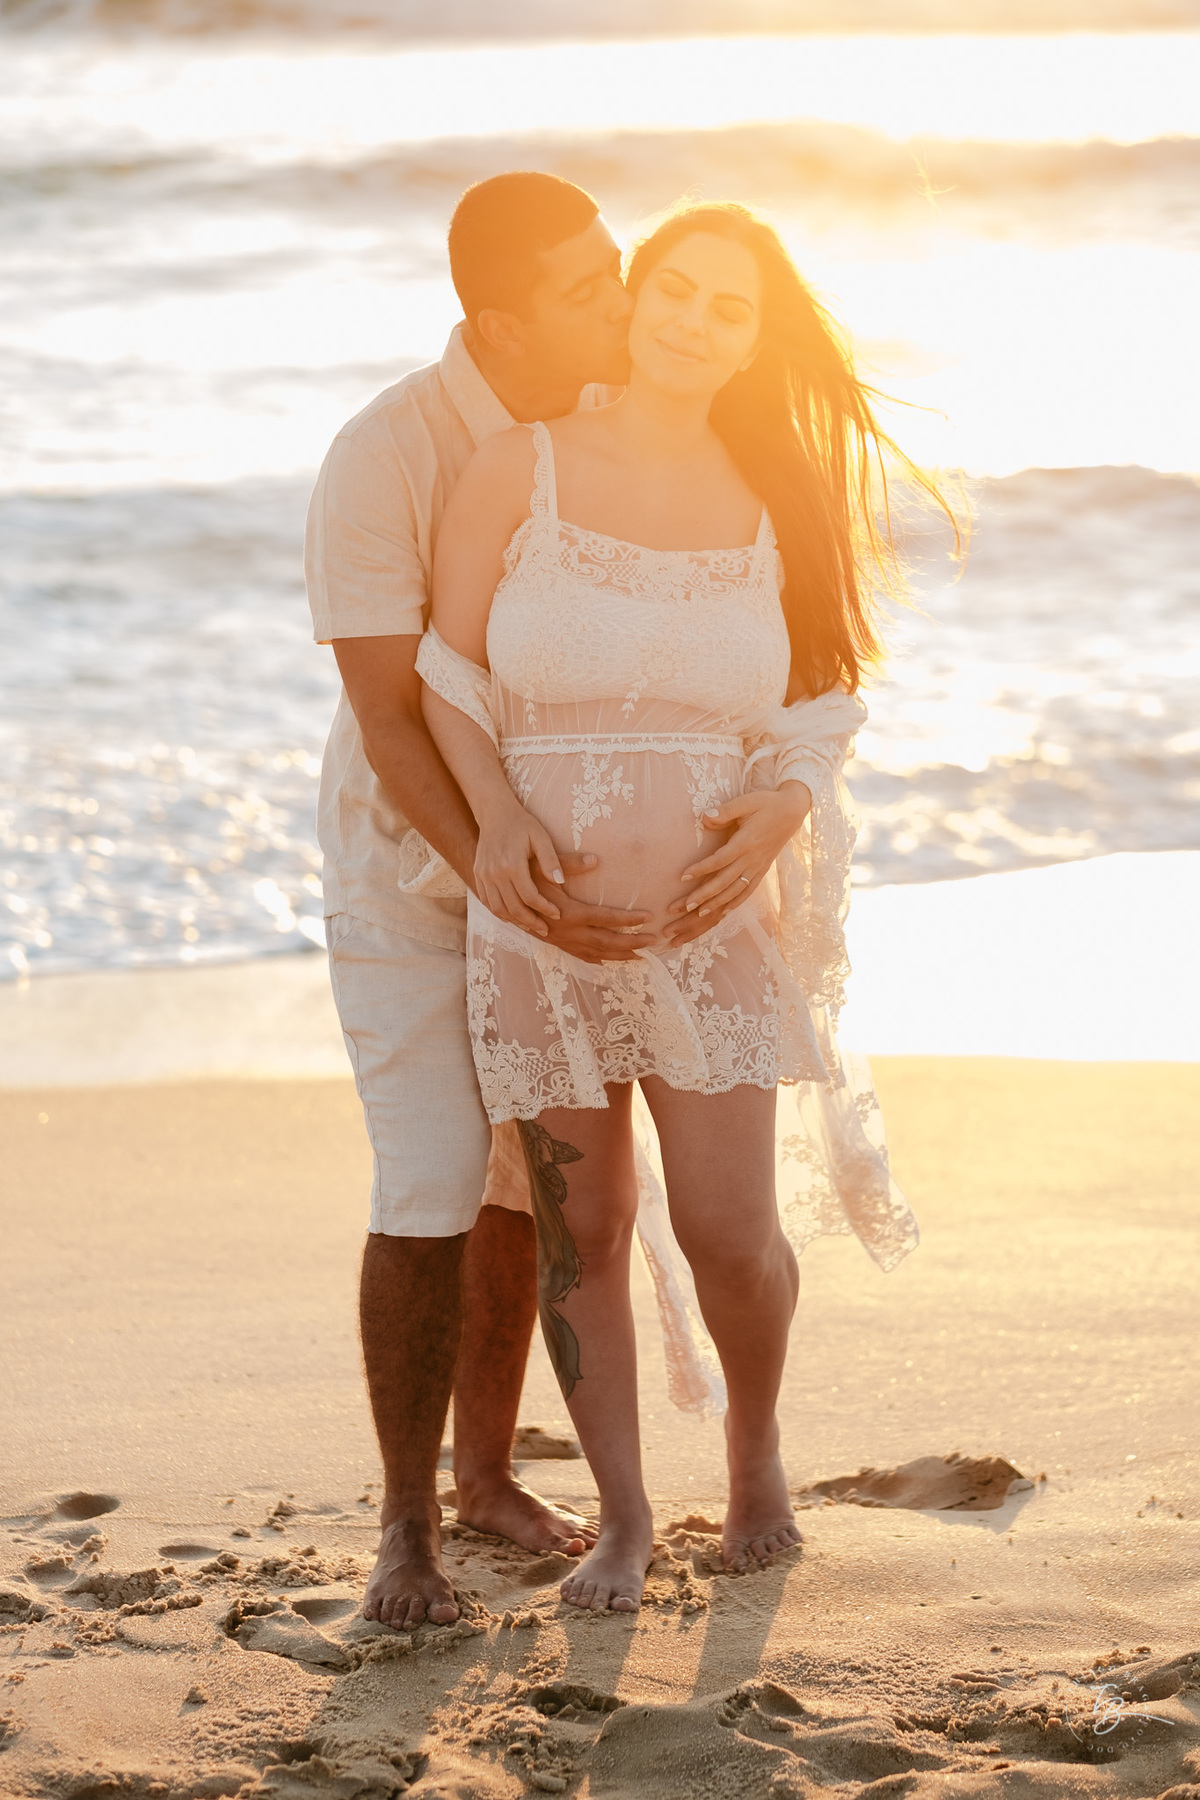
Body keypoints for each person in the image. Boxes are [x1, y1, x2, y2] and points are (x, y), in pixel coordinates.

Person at [419, 201, 953, 1613]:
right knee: (578, 1225)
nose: (693, 319)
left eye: (730, 305)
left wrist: (781, 804)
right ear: (636, 297)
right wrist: (503, 824)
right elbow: (449, 677)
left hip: (715, 919)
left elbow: (820, 703)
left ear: (756, 336)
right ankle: (625, 1517)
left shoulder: (779, 494)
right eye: (675, 288)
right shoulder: (516, 467)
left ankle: (757, 1454)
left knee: (727, 1228)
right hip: (540, 920)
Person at [304, 176, 814, 1633]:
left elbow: (806, 668)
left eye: (625, 276)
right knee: (454, 1185)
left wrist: (777, 797)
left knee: (626, 1208)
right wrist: (505, 872)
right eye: (604, 288)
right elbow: (404, 708)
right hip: (427, 877)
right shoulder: (396, 452)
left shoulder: (676, 432)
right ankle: (428, 1527)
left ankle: (529, 1471)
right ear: (500, 320)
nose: (630, 305)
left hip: (638, 906)